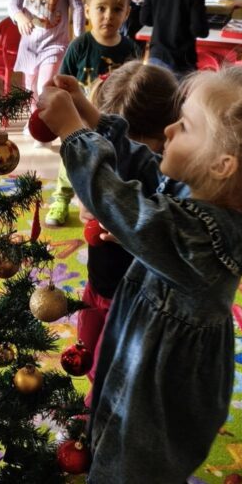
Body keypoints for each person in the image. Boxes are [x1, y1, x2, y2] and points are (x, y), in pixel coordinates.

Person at [37, 66, 242, 484]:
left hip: (154, 377)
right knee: (169, 470)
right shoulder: (211, 196)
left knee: (131, 468)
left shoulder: (202, 236)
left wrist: (74, 136)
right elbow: (148, 171)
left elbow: (123, 205)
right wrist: (94, 120)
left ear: (223, 164)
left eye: (186, 125)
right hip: (176, 370)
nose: (169, 131)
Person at [77, 61, 179, 391]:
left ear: (166, 137)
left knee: (112, 372)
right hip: (98, 285)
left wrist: (132, 233)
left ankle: (98, 411)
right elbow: (86, 184)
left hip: (134, 301)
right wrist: (85, 203)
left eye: (136, 150)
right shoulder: (105, 153)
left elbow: (167, 240)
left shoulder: (167, 179)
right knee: (86, 352)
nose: (124, 160)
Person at [46, 0, 139, 227]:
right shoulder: (79, 46)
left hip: (113, 121)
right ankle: (61, 198)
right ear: (87, 11)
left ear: (127, 13)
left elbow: (133, 83)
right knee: (71, 160)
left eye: (117, 9)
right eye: (101, 8)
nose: (108, 15)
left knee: (108, 163)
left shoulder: (130, 49)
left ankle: (104, 204)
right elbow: (62, 82)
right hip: (79, 119)